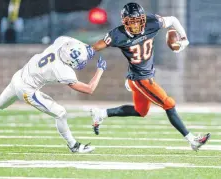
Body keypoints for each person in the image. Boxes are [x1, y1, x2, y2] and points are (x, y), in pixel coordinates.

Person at [0, 36, 107, 153]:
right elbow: (89, 89)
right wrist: (100, 70)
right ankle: (73, 146)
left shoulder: (60, 43)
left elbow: (73, 45)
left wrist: (88, 50)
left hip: (19, 76)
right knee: (60, 113)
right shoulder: (62, 70)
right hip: (27, 90)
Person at [90, 2, 210, 151]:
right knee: (169, 104)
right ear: (124, 22)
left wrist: (184, 39)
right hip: (141, 79)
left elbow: (172, 19)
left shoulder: (152, 22)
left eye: (137, 21)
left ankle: (101, 113)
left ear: (143, 19)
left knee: (141, 111)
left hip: (140, 76)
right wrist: (85, 51)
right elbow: (96, 46)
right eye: (131, 22)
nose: (135, 26)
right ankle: (192, 140)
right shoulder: (117, 34)